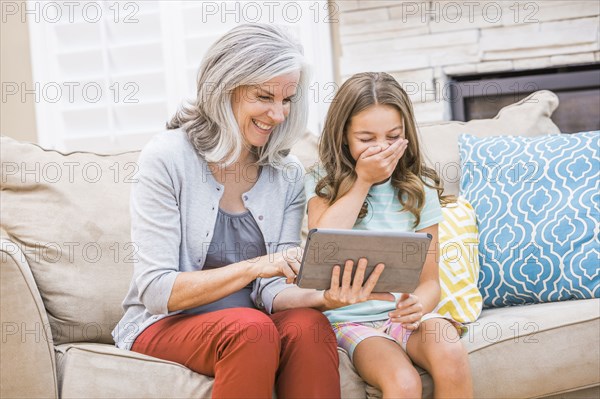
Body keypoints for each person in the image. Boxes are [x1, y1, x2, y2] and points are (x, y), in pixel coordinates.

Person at [111, 24, 384, 399]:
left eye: (287, 99)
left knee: (309, 325)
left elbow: (271, 290)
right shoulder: (167, 158)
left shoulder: (286, 175)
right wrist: (257, 265)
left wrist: (326, 298)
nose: (278, 114)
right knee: (251, 328)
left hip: (253, 321)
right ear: (225, 88)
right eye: (264, 96)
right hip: (165, 323)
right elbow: (158, 291)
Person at [305, 72, 473, 398]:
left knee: (450, 352)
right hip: (350, 321)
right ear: (343, 137)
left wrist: (419, 306)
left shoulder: (417, 187)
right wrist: (363, 182)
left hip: (404, 318)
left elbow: (429, 283)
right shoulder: (322, 182)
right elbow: (322, 244)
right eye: (367, 139)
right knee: (404, 382)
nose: (382, 148)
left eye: (393, 136)